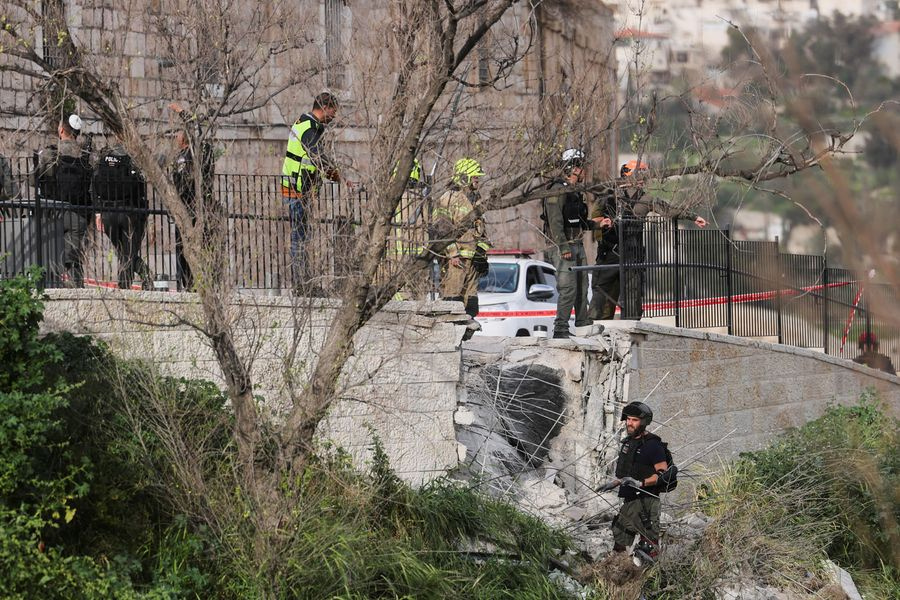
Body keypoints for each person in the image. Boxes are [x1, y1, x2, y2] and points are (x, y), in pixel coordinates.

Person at [588, 160, 707, 321]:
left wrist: (693, 216)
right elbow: (594, 219)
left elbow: (668, 210)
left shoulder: (645, 198)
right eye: (640, 174)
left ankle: (625, 336)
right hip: (611, 254)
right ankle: (596, 335)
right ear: (628, 175)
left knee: (630, 302)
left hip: (630, 255)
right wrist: (602, 226)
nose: (643, 178)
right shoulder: (609, 195)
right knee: (602, 299)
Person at [596, 401, 672, 561]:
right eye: (628, 419)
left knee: (648, 548)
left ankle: (649, 580)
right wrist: (614, 483)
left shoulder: (653, 446)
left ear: (644, 422)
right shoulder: (628, 444)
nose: (630, 423)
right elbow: (629, 473)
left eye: (635, 420)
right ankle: (619, 573)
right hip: (630, 501)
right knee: (619, 536)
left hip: (647, 502)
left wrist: (640, 483)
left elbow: (663, 474)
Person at [542, 148, 605, 338]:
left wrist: (597, 224)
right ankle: (561, 329)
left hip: (577, 244)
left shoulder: (575, 191)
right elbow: (555, 222)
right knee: (568, 288)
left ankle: (582, 323)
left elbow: (579, 221)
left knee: (582, 286)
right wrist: (563, 247)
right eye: (581, 165)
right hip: (563, 247)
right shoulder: (557, 190)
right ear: (573, 167)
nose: (584, 170)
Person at [281, 92, 341, 289]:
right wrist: (337, 176)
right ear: (325, 107)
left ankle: (303, 281)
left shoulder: (308, 124)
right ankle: (301, 284)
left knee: (302, 236)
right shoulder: (308, 128)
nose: (334, 115)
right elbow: (318, 157)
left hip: (299, 189)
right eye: (334, 110)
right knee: (300, 238)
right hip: (297, 190)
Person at [36, 114, 93, 287]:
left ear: (61, 130)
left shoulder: (50, 153)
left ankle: (50, 287)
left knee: (51, 254)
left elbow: (32, 180)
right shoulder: (86, 156)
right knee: (73, 257)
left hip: (54, 213)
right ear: (77, 133)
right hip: (79, 214)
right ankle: (78, 290)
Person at [432, 158, 491, 319]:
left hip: (473, 258)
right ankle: (449, 333)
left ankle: (465, 334)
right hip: (456, 260)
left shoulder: (475, 198)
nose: (477, 180)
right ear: (464, 177)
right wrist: (452, 253)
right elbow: (441, 228)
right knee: (453, 298)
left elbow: (482, 228)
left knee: (470, 302)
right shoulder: (448, 198)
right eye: (474, 177)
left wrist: (482, 251)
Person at [92, 142, 152, 289]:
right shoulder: (132, 158)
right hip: (130, 212)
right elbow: (140, 188)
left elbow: (94, 186)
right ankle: (132, 283)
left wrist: (98, 212)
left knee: (124, 252)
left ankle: (137, 280)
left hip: (107, 213)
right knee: (128, 252)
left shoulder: (103, 158)